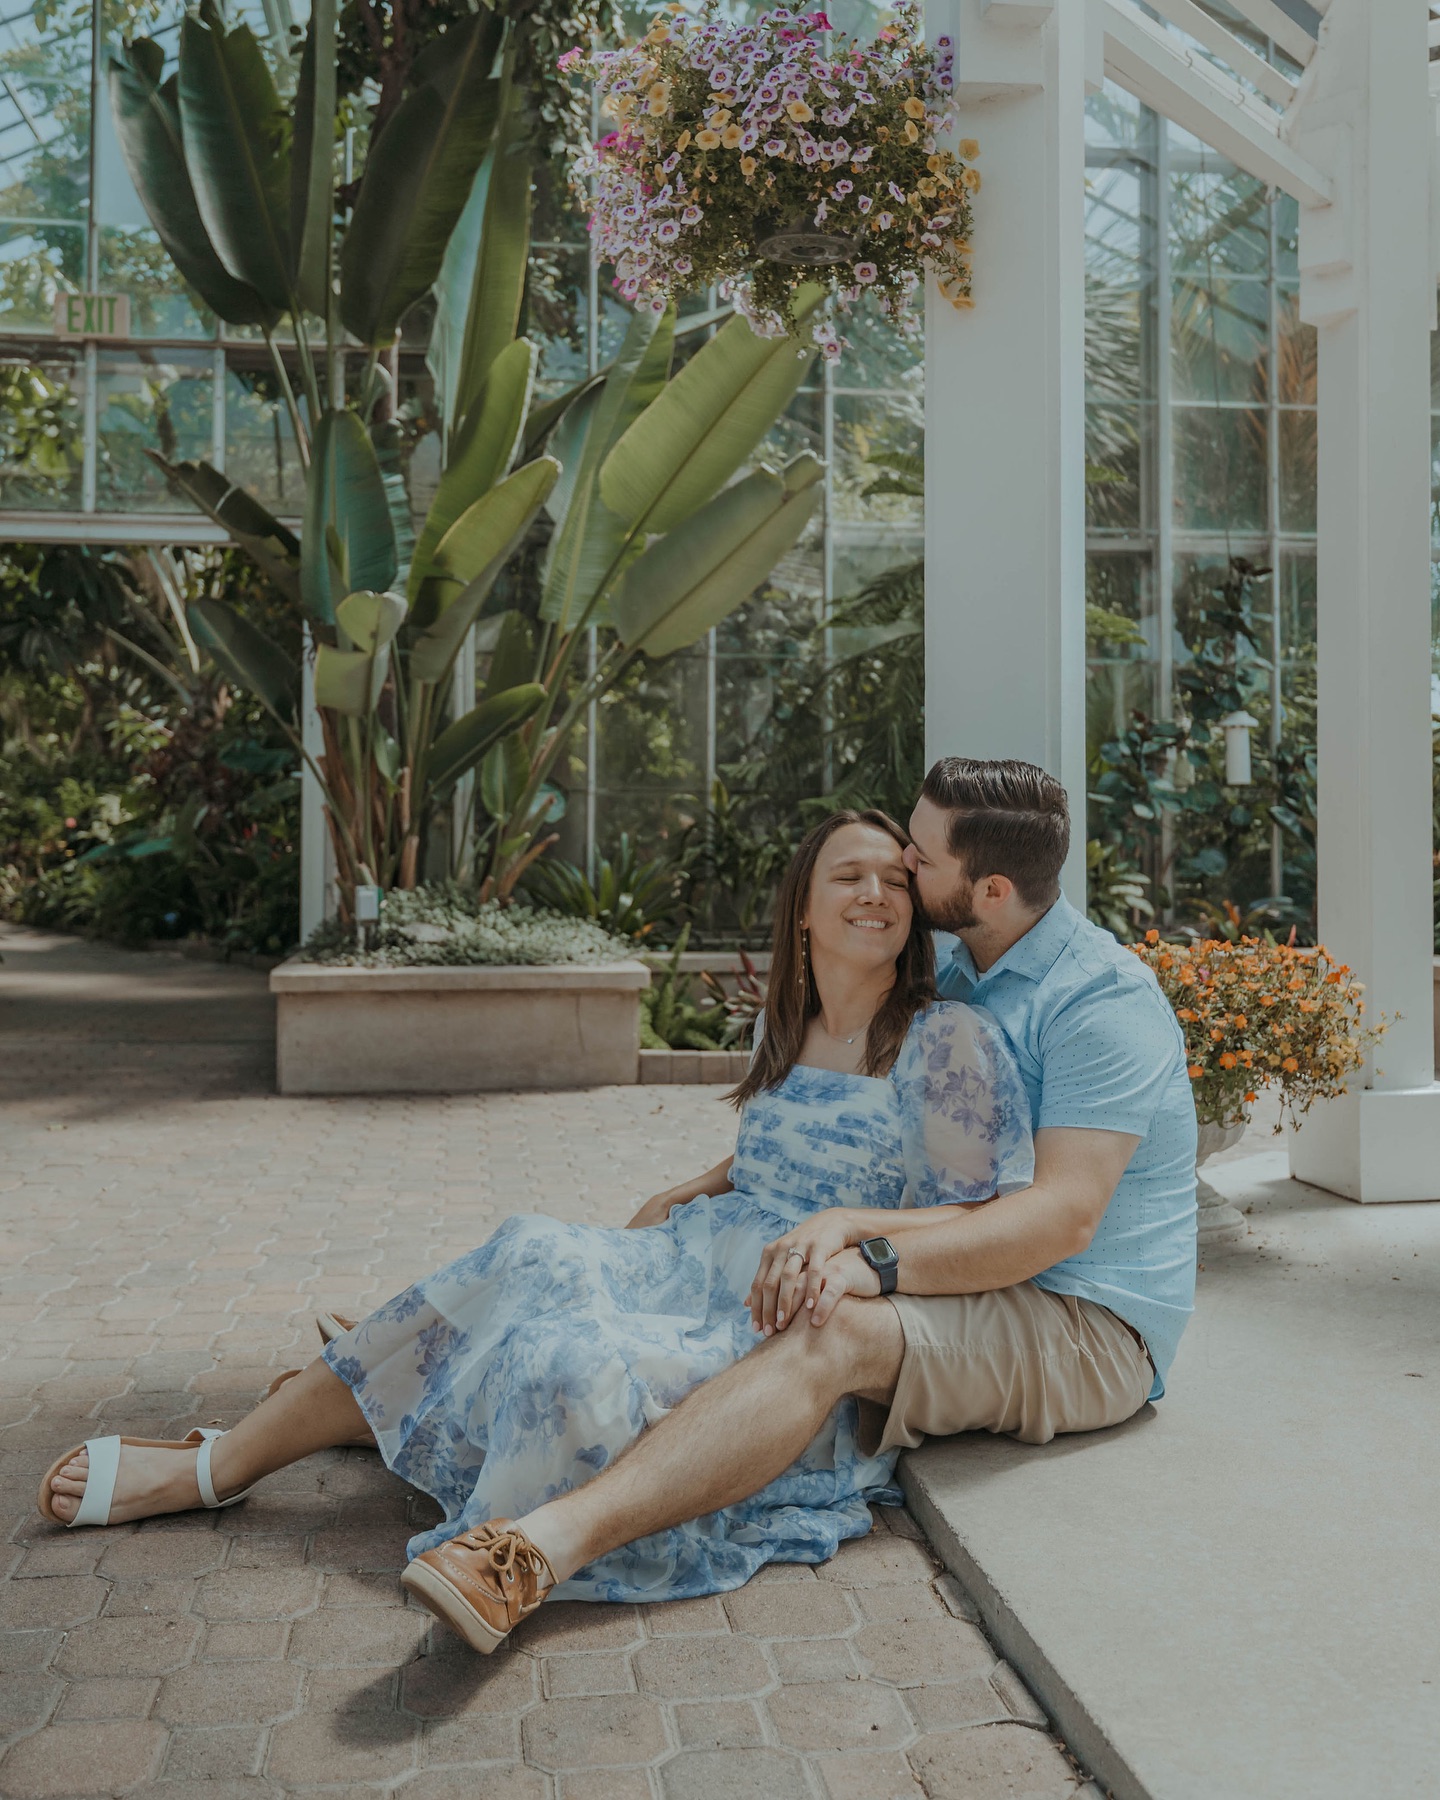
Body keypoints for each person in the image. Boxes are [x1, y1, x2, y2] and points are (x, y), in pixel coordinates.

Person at [37, 806, 1037, 1651]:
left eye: (893, 881)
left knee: (562, 1360)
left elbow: (973, 1216)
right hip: (696, 1256)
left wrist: (844, 1226)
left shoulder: (945, 1038)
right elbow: (778, 1151)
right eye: (847, 877)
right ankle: (220, 1467)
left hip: (784, 1312)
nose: (876, 893)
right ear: (803, 914)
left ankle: (446, 1468)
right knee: (530, 1249)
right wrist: (690, 1187)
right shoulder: (792, 1024)